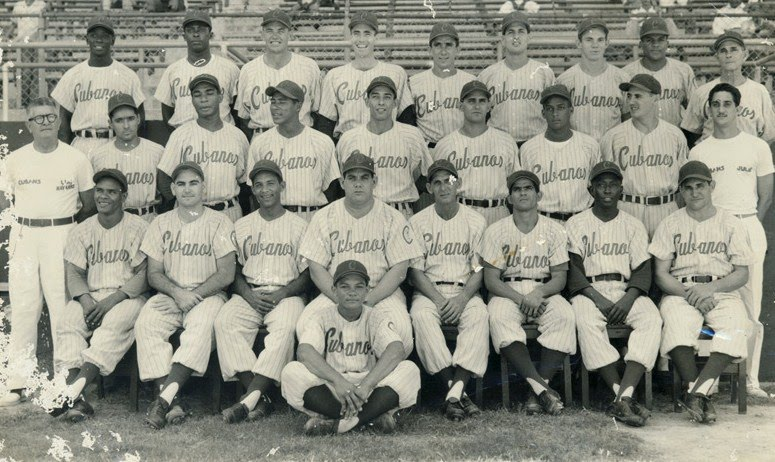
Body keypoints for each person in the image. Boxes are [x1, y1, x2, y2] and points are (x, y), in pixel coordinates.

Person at [0, 96, 96, 407]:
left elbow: (89, 204)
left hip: (62, 232)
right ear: (28, 125)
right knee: (24, 307)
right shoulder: (14, 160)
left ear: (58, 121)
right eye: (38, 118)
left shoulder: (76, 158)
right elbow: (4, 201)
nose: (45, 122)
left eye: (50, 117)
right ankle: (18, 381)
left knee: (61, 305)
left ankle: (62, 377)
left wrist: (65, 230)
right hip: (25, 234)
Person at [687, 83, 774, 399]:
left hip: (746, 225)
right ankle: (710, 379)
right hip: (710, 233)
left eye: (727, 103)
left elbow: (765, 195)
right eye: (716, 104)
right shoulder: (700, 151)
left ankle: (749, 379)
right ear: (708, 109)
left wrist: (745, 227)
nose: (721, 109)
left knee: (751, 305)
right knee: (713, 303)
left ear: (738, 108)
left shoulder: (756, 147)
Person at [136, 161, 237, 430]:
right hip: (171, 293)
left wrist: (194, 294)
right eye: (181, 183)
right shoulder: (160, 223)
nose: (187, 189)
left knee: (201, 328)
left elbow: (226, 274)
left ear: (204, 187)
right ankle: (173, 398)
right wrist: (177, 293)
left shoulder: (219, 222)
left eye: (193, 183)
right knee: (146, 323)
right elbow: (154, 274)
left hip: (208, 295)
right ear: (172, 189)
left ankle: (163, 400)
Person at [650, 160, 752, 423]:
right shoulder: (670, 223)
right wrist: (690, 294)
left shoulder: (730, 222)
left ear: (711, 186)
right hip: (680, 289)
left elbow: (742, 272)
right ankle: (699, 391)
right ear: (680, 192)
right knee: (675, 324)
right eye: (688, 188)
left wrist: (710, 289)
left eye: (700, 186)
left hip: (720, 288)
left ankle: (696, 392)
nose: (695, 192)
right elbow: (661, 273)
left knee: (736, 325)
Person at [298, 153, 424, 359]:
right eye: (352, 178)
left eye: (364, 178)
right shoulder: (324, 216)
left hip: (381, 292)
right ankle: (331, 383)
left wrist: (369, 300)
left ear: (374, 181)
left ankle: (380, 385)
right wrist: (340, 298)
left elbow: (400, 268)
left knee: (400, 330)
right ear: (342, 182)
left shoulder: (392, 217)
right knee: (306, 324)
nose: (358, 184)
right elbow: (316, 267)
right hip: (336, 292)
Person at [48, 169, 149, 421]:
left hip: (126, 296)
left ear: (123, 197)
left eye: (111, 192)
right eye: (99, 191)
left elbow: (144, 274)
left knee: (112, 327)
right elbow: (73, 273)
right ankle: (78, 401)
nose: (103, 196)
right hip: (91, 296)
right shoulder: (81, 230)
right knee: (68, 323)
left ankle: (74, 389)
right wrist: (84, 300)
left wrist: (112, 300)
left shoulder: (139, 227)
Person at [567, 161, 662, 427]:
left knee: (651, 318)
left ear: (621, 189)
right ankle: (624, 396)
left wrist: (629, 298)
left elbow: (643, 269)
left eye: (612, 184)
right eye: (601, 184)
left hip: (625, 288)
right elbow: (573, 271)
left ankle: (623, 396)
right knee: (586, 321)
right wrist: (598, 299)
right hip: (590, 291)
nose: (607, 189)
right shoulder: (576, 223)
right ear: (591, 189)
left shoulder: (633, 224)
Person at [216, 160, 311, 423]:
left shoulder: (299, 225)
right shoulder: (243, 225)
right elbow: (233, 270)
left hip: (286, 293)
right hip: (251, 292)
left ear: (282, 186)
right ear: (253, 191)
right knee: (224, 322)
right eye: (258, 185)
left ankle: (249, 398)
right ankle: (260, 396)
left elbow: (307, 273)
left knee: (287, 328)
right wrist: (247, 295)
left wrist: (283, 294)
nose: (265, 190)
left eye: (271, 183)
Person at [281, 260, 421, 435]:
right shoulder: (321, 317)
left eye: (358, 287)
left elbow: (396, 350)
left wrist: (366, 386)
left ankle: (338, 424)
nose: (352, 292)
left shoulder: (376, 317)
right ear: (334, 291)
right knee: (291, 372)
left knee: (409, 370)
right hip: (333, 389)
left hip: (369, 389)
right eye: (345, 287)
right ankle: (370, 419)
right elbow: (304, 352)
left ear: (366, 291)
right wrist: (338, 381)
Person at [480, 170, 575, 416]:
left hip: (543, 289)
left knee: (564, 315)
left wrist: (539, 293)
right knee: (498, 317)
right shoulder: (495, 230)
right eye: (517, 189)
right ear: (510, 198)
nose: (523, 192)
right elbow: (491, 279)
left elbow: (560, 278)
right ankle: (542, 390)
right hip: (508, 291)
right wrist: (521, 298)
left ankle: (535, 392)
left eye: (528, 188)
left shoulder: (554, 229)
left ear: (538, 194)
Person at [408, 160, 489, 420]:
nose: (444, 187)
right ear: (430, 188)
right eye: (438, 182)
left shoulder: (476, 220)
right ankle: (456, 391)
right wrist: (439, 300)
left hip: (465, 290)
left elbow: (480, 270)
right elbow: (415, 271)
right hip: (430, 292)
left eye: (449, 181)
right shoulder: (417, 221)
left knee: (479, 316)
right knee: (421, 317)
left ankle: (454, 393)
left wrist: (463, 298)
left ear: (459, 184)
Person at [600, 74, 689, 237]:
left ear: (655, 98)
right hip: (628, 207)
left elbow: (684, 180)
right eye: (629, 96)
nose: (631, 101)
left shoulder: (674, 135)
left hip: (666, 208)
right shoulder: (613, 136)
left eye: (638, 96)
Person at [157, 74, 249, 222]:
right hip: (191, 213)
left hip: (228, 212)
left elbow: (245, 183)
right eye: (197, 95)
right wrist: (183, 205)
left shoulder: (237, 136)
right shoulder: (180, 135)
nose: (204, 99)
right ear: (192, 100)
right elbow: (164, 179)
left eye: (209, 93)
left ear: (220, 96)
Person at [336, 76, 432, 219]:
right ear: (367, 101)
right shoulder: (349, 138)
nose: (381, 102)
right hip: (362, 213)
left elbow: (428, 174)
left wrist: (406, 188)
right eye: (375, 97)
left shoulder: (412, 135)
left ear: (395, 103)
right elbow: (340, 181)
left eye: (387, 97)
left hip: (401, 210)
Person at [51, 16, 146, 158]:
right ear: (86, 39)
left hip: (115, 141)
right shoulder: (73, 75)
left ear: (113, 40)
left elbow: (140, 117)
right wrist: (65, 154)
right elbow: (64, 121)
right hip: (82, 143)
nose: (99, 40)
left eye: (105, 36)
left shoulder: (128, 75)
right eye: (94, 36)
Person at [248, 80, 340, 222]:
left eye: (282, 102)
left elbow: (331, 190)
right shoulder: (260, 142)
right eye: (273, 102)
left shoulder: (322, 141)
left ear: (298, 106)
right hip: (274, 217)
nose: (275, 107)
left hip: (310, 216)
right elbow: (253, 190)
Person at [315, 11, 413, 140]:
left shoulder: (395, 73)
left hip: (387, 142)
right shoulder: (334, 76)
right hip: (348, 143)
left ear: (375, 37)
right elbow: (326, 123)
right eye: (356, 33)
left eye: (367, 33)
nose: (361, 39)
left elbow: (407, 119)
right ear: (351, 37)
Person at [432, 81, 519, 225]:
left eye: (482, 101)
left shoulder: (506, 141)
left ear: (489, 106)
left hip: (497, 211)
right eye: (471, 101)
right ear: (461, 106)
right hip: (461, 211)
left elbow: (515, 183)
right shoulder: (445, 145)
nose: (477, 106)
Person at [519, 84, 601, 223]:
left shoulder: (590, 145)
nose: (555, 113)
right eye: (550, 109)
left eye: (560, 107)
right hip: (543, 219)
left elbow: (596, 187)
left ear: (571, 110)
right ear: (543, 113)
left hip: (581, 219)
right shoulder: (529, 148)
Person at [235, 9, 321, 141]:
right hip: (262, 137)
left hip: (301, 139)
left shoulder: (309, 67)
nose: (275, 36)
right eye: (269, 30)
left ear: (290, 34)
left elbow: (317, 112)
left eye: (281, 30)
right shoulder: (248, 70)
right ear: (262, 34)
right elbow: (243, 117)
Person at [681, 31, 775, 146]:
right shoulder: (702, 92)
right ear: (717, 57)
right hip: (713, 157)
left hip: (747, 157)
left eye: (734, 49)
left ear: (745, 55)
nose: (728, 55)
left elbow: (769, 136)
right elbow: (690, 132)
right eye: (723, 51)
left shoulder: (759, 91)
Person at [154, 10, 240, 131]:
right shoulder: (173, 70)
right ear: (184, 36)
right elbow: (167, 111)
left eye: (201, 29)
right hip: (185, 135)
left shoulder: (230, 68)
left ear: (210, 34)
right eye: (190, 30)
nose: (195, 34)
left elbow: (237, 108)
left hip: (221, 136)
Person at [479, 11, 555, 145]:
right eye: (510, 32)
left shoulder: (544, 73)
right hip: (498, 143)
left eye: (521, 32)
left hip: (536, 142)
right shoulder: (487, 75)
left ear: (529, 37)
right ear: (503, 40)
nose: (516, 37)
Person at [90, 93, 163, 223]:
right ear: (110, 124)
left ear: (139, 119)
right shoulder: (98, 156)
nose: (126, 125)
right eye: (119, 120)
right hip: (114, 220)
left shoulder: (157, 151)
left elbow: (166, 194)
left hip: (148, 218)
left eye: (130, 119)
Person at [557, 19, 630, 141]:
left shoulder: (622, 78)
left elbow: (627, 118)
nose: (595, 45)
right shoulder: (565, 80)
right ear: (579, 43)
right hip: (577, 147)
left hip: (612, 146)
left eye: (600, 40)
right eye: (589, 40)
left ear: (607, 43)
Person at [408, 22, 475, 149]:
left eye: (448, 45)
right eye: (438, 45)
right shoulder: (414, 83)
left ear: (458, 49)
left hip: (463, 147)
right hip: (429, 150)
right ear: (430, 50)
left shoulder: (470, 82)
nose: (443, 51)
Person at [622, 17, 697, 127]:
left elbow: (694, 110)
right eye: (649, 40)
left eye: (660, 40)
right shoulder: (626, 73)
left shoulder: (684, 70)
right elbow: (625, 114)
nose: (655, 44)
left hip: (674, 136)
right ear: (640, 44)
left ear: (667, 43)